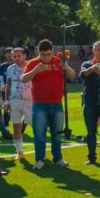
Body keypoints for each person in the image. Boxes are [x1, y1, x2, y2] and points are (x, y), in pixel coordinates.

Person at [22, 39, 75, 169]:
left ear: (52, 52)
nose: (46, 57)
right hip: (40, 104)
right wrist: (35, 71)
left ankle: (58, 158)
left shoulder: (59, 61)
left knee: (57, 134)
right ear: (38, 53)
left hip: (57, 103)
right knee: (39, 134)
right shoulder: (33, 63)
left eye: (48, 54)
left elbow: (73, 76)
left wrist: (67, 68)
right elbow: (23, 78)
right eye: (43, 54)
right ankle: (40, 159)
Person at [5, 46, 33, 161]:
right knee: (16, 128)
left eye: (19, 56)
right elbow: (8, 85)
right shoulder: (10, 68)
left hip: (30, 101)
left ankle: (41, 153)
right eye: (14, 56)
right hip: (14, 101)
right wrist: (7, 101)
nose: (16, 58)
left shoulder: (31, 66)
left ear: (25, 55)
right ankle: (20, 152)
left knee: (36, 128)